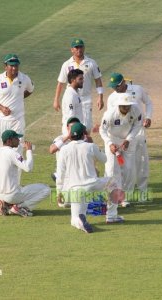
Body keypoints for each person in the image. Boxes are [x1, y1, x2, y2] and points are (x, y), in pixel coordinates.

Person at [56, 122, 125, 233]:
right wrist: (94, 146)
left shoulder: (64, 150)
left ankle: (79, 222)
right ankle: (111, 216)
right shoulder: (90, 146)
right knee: (113, 183)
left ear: (71, 135)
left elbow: (60, 174)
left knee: (74, 219)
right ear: (84, 134)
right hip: (93, 184)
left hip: (74, 189)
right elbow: (104, 159)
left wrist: (59, 191)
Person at [107, 72, 153, 203]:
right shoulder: (112, 98)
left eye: (117, 86)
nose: (115, 89)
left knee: (141, 162)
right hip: (121, 135)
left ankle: (143, 192)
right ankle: (125, 196)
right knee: (124, 166)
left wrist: (148, 117)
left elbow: (148, 103)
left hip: (137, 131)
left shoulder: (137, 89)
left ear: (123, 83)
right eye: (113, 87)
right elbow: (110, 119)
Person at [0, 130, 51, 217]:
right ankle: (18, 207)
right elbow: (28, 168)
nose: (19, 140)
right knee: (46, 189)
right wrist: (29, 150)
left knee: (21, 188)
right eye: (16, 138)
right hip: (12, 195)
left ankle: (6, 204)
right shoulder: (12, 153)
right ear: (9, 141)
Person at [99, 93, 142, 206]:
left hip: (128, 141)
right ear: (119, 105)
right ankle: (111, 197)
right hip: (112, 140)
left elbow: (138, 125)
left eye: (128, 106)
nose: (127, 108)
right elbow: (102, 130)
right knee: (112, 169)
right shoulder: (110, 114)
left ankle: (125, 197)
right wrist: (109, 144)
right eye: (124, 106)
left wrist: (129, 139)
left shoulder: (136, 110)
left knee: (129, 169)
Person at [53, 38, 104, 133]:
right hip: (71, 98)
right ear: (72, 50)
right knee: (70, 123)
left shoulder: (91, 63)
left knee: (87, 127)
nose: (79, 49)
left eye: (80, 47)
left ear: (84, 48)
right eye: (76, 48)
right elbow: (60, 83)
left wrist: (100, 97)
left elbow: (98, 80)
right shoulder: (66, 64)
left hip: (85, 98)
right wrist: (56, 99)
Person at [0, 54, 34, 149]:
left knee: (18, 148)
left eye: (16, 65)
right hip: (1, 120)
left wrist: (20, 97)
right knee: (1, 148)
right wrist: (2, 108)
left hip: (18, 120)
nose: (14, 68)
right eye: (11, 65)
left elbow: (30, 90)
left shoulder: (24, 78)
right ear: (5, 66)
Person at [49, 117, 92, 208]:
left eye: (76, 127)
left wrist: (86, 134)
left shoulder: (83, 139)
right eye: (71, 127)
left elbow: (93, 147)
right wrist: (67, 137)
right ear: (67, 128)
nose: (74, 130)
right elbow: (52, 150)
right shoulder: (60, 138)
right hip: (65, 175)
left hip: (80, 174)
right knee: (64, 204)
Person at [61, 69, 84, 135]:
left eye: (82, 78)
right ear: (72, 80)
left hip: (76, 128)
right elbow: (70, 116)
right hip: (72, 130)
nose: (82, 81)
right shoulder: (70, 95)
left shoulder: (75, 92)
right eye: (80, 79)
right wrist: (72, 133)